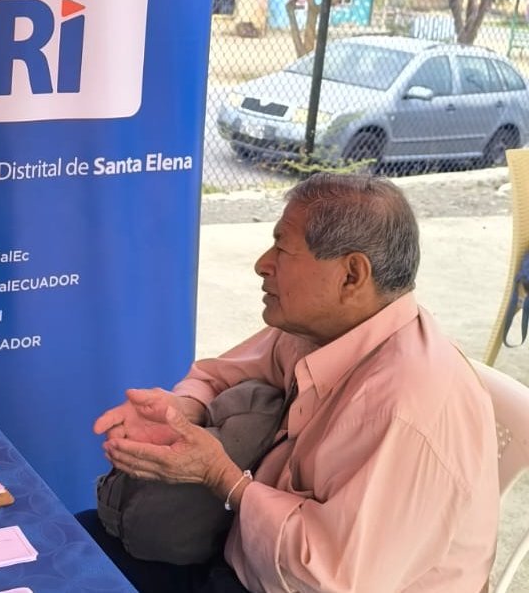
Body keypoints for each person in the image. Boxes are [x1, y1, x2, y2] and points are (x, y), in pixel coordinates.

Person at [87, 173, 498, 592]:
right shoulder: (321, 329)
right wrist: (183, 411)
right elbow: (216, 374)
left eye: (282, 249)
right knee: (70, 550)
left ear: (351, 275)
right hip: (243, 555)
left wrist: (222, 478)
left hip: (288, 581)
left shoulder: (406, 407)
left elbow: (327, 580)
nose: (262, 263)